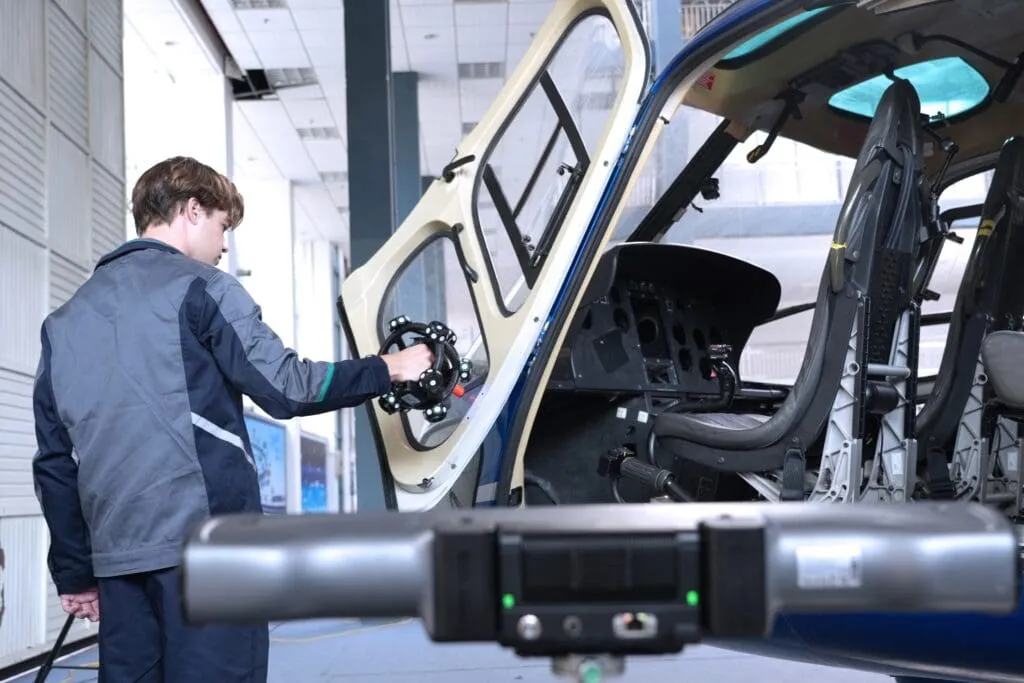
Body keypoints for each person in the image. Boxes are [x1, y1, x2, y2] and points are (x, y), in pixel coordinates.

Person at [31, 156, 433, 682]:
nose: (223, 248)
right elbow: (287, 388)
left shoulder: (62, 325)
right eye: (223, 227)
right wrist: (388, 368)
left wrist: (76, 574)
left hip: (118, 563)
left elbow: (56, 464)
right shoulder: (203, 289)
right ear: (192, 210)